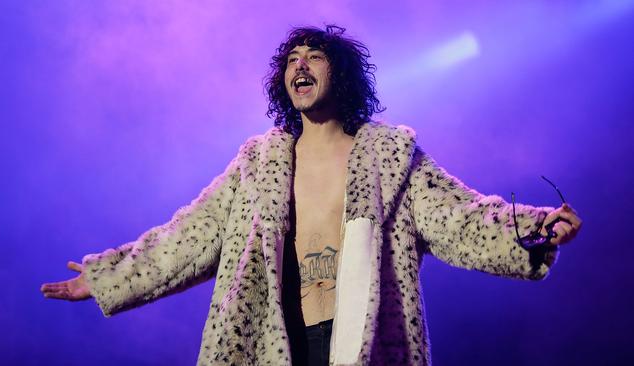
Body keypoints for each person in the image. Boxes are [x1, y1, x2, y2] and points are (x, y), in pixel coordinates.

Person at [40, 25, 582, 366]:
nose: (300, 63)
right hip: (270, 343)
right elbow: (189, 236)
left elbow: (460, 218)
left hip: (363, 344)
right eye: (292, 57)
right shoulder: (258, 164)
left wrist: (532, 227)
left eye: (314, 55)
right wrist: (108, 276)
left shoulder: (390, 158)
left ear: (340, 75)